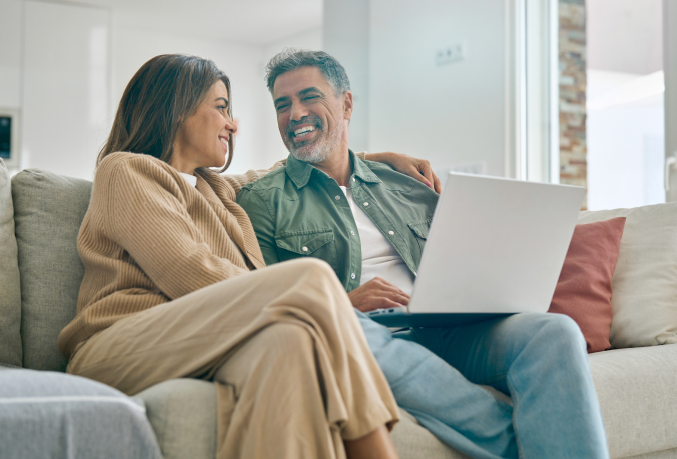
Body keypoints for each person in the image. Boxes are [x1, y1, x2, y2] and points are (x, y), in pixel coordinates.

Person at [56, 53, 442, 459]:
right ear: (176, 109)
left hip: (206, 338)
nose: (232, 123)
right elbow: (188, 272)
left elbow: (294, 166)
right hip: (121, 342)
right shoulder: (127, 171)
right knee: (311, 278)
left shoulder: (215, 190)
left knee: (290, 341)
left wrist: (378, 160)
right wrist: (323, 302)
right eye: (221, 108)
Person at [236, 49, 611, 459]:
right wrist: (343, 306)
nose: (295, 113)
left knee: (553, 331)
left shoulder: (406, 183)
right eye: (282, 105)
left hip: (444, 328)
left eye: (310, 97)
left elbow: (460, 257)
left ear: (346, 103)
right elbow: (270, 302)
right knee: (346, 333)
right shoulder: (262, 201)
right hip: (362, 333)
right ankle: (528, 442)